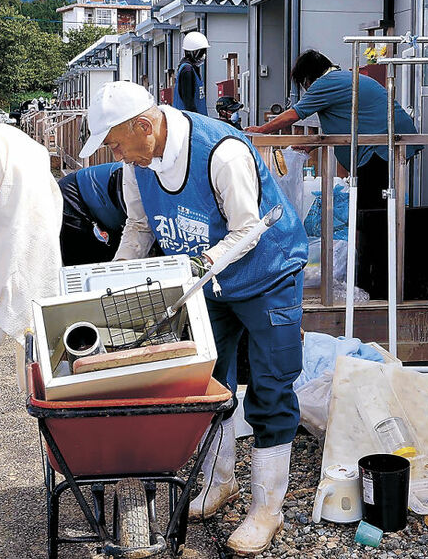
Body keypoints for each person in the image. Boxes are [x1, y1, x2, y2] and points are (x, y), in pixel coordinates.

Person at [79, 81, 307, 556]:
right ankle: (219, 482)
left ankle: (268, 508)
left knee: (271, 385)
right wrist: (112, 284)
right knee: (207, 383)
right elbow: (140, 227)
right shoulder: (135, 165)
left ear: (144, 125)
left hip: (267, 274)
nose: (116, 153)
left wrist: (199, 268)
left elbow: (247, 228)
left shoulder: (220, 152)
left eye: (117, 142)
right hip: (207, 283)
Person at [246, 49, 421, 210]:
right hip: (391, 140)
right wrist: (313, 145)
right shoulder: (345, 78)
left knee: (370, 208)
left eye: (303, 83)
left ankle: (376, 244)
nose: (306, 88)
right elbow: (347, 123)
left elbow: (294, 114)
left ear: (308, 78)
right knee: (380, 204)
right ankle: (384, 241)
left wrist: (262, 130)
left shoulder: (325, 83)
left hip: (379, 146)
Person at [57, 162, 127, 265]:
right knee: (84, 262)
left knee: (112, 255)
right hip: (73, 197)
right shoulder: (126, 177)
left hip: (101, 207)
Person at [174, 31, 209, 116]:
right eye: (201, 52)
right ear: (193, 52)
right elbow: (188, 102)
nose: (203, 55)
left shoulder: (192, 68)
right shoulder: (187, 70)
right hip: (190, 120)